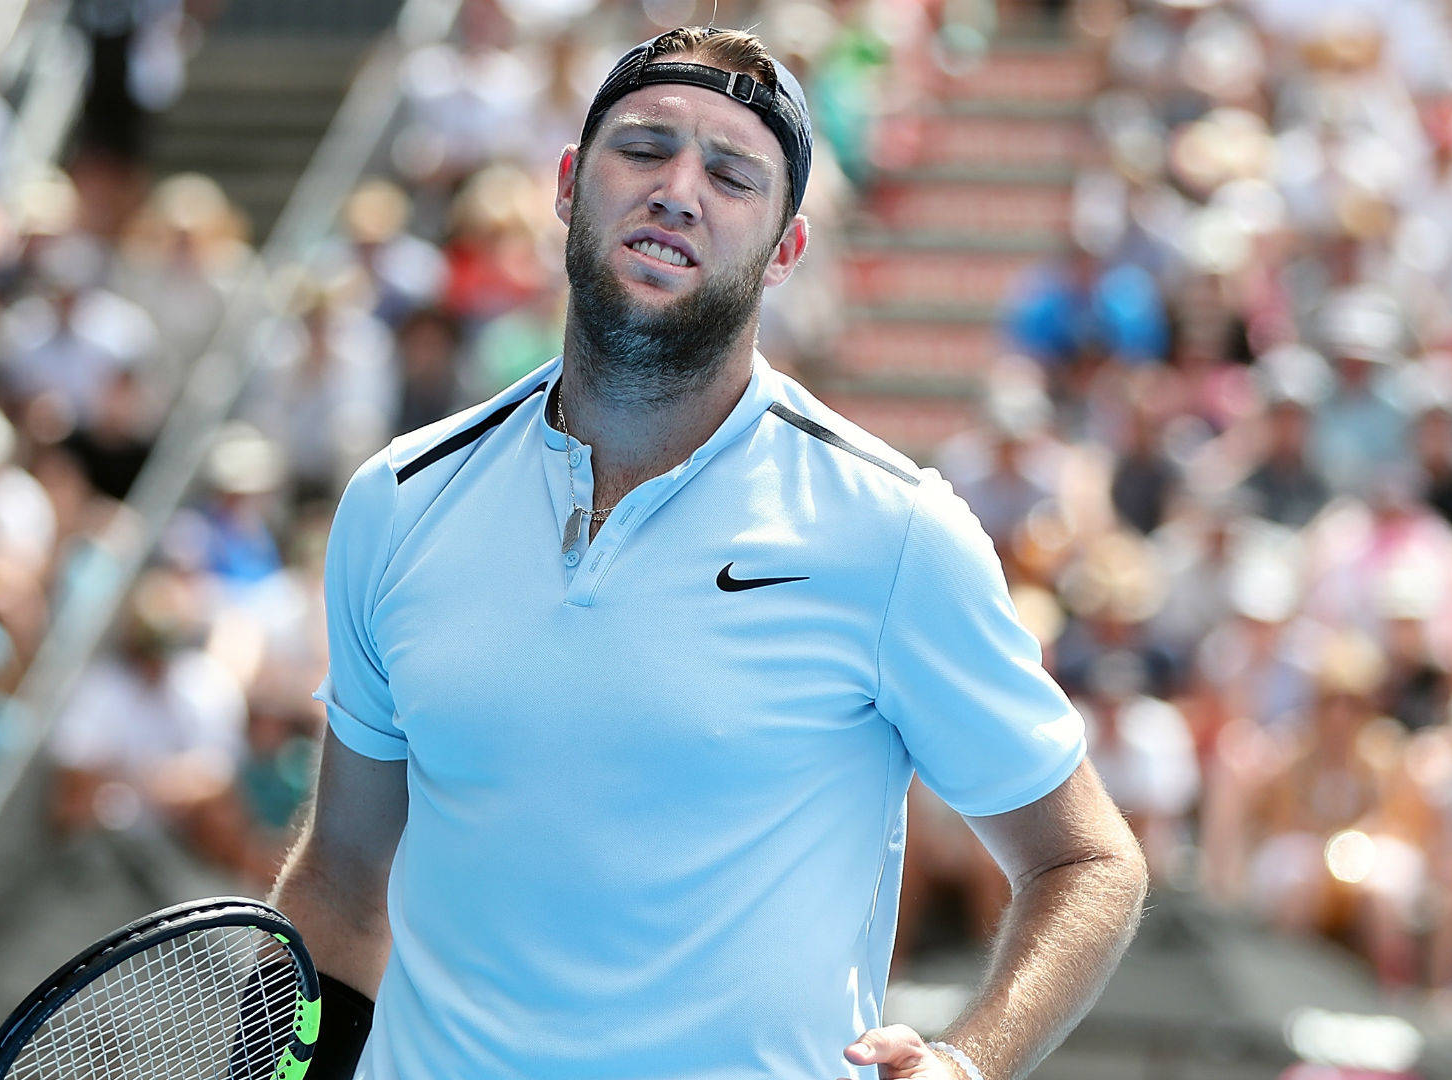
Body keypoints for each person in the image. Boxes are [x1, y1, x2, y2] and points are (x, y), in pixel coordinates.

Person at [269, 25, 1148, 1080]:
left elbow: (1088, 861)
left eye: (732, 174)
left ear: (787, 248)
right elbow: (339, 881)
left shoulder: (895, 530)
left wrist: (969, 1063)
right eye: (643, 149)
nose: (678, 189)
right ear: (565, 184)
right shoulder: (398, 501)